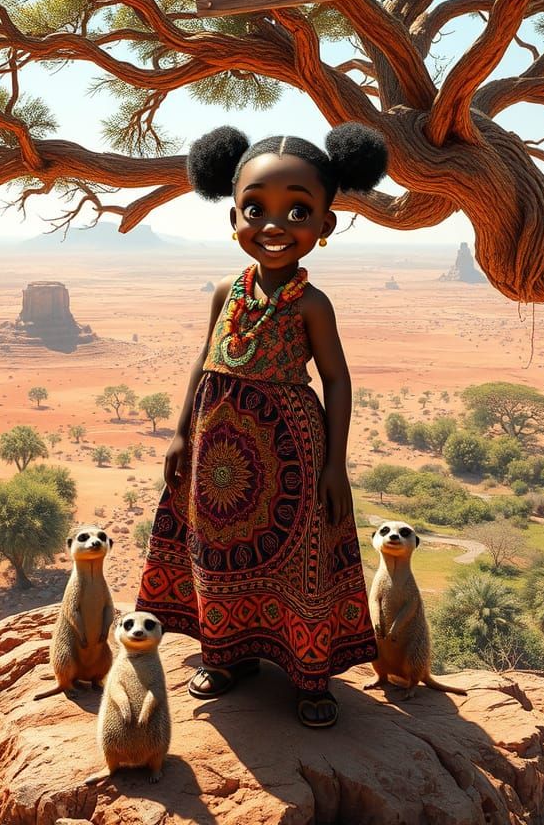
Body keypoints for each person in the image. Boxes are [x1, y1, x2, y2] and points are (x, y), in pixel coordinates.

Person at [135, 123, 387, 728]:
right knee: (218, 552)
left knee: (299, 557)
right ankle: (227, 657)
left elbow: (338, 380)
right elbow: (205, 358)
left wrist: (335, 466)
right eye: (255, 208)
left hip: (292, 449)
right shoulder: (226, 289)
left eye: (297, 210)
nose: (274, 225)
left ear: (324, 225)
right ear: (233, 217)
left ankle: (308, 675)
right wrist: (180, 430)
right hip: (217, 447)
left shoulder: (311, 304)